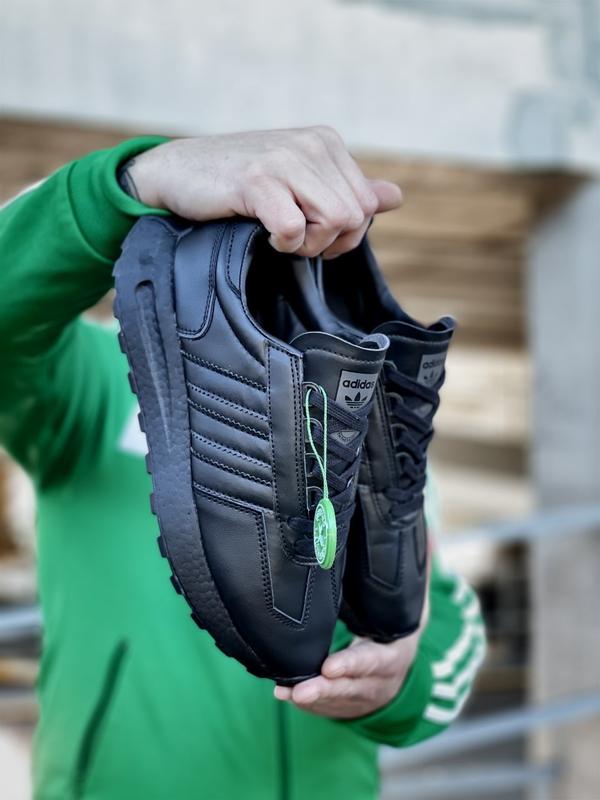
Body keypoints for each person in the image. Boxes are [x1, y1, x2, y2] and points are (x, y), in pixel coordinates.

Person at [0, 126, 485, 799]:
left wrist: (405, 674)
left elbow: (445, 610)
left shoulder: (363, 411)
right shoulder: (90, 382)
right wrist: (128, 183)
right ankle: (222, 329)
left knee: (385, 572)